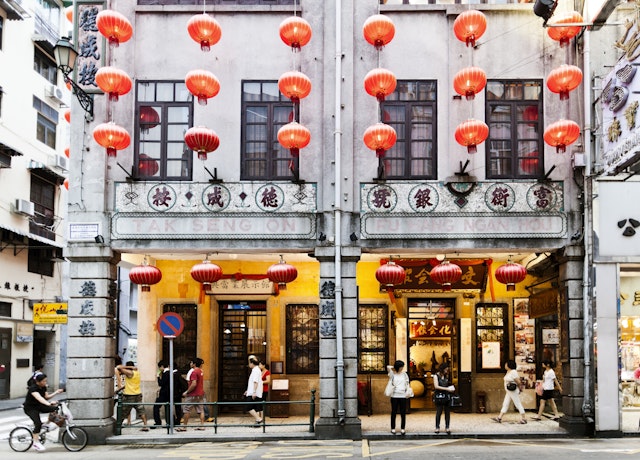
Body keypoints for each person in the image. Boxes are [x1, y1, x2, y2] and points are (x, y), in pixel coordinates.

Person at [23, 374, 64, 451]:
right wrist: (49, 404)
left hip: (39, 406)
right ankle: (35, 443)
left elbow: (46, 397)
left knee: (54, 408)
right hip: (30, 408)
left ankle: (47, 424)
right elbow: (39, 398)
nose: (45, 382)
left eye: (46, 380)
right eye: (44, 381)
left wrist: (56, 392)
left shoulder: (43, 387)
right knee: (38, 423)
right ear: (38, 382)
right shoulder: (33, 389)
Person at [116, 361, 149, 431]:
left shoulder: (130, 373)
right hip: (138, 394)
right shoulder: (137, 373)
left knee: (123, 411)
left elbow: (118, 367)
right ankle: (145, 425)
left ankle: (118, 426)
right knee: (141, 410)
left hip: (129, 395)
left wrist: (129, 367)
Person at [491, 359, 527, 424]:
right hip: (509, 391)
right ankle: (499, 417)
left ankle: (524, 418)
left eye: (506, 364)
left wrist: (520, 389)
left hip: (513, 390)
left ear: (509, 365)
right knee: (505, 403)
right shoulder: (508, 372)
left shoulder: (513, 372)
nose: (505, 365)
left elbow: (518, 382)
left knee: (517, 403)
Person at [178, 358, 205, 431]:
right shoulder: (201, 371)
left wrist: (187, 392)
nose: (190, 364)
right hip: (200, 393)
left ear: (194, 364)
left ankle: (184, 427)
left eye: (191, 362)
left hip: (193, 394)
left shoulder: (194, 372)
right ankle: (202, 425)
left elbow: (193, 384)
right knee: (200, 410)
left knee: (186, 410)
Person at [386, 360, 410, 435]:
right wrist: (394, 367)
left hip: (403, 395)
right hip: (394, 395)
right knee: (394, 412)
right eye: (401, 366)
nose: (402, 368)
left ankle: (403, 428)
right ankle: (393, 428)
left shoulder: (404, 374)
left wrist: (407, 392)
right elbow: (388, 367)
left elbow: (407, 383)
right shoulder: (392, 374)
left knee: (403, 413)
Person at [432, 362, 456, 434]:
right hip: (439, 395)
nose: (446, 371)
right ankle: (437, 427)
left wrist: (451, 388)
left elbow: (448, 384)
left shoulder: (447, 376)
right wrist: (447, 389)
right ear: (442, 369)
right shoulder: (436, 376)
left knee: (447, 412)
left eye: (447, 370)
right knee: (439, 411)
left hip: (446, 395)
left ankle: (447, 427)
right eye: (445, 369)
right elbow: (436, 386)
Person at [244, 357, 263, 425]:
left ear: (252, 363)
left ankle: (258, 419)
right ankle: (258, 420)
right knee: (257, 407)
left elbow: (255, 382)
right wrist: (248, 390)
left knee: (248, 407)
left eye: (249, 363)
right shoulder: (257, 370)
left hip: (253, 393)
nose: (248, 365)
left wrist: (254, 391)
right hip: (255, 392)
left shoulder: (255, 370)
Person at [152, 360, 171, 429]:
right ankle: (168, 422)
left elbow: (161, 383)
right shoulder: (170, 373)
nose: (159, 369)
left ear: (162, 366)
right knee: (167, 408)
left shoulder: (165, 373)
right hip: (168, 394)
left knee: (156, 407)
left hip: (164, 394)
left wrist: (158, 376)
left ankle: (158, 422)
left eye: (159, 367)